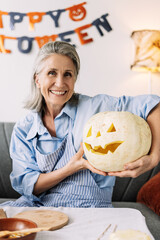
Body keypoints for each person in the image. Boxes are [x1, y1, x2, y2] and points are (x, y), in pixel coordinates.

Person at [1, 41, 160, 208]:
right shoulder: (24, 129)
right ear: (38, 79)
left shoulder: (97, 107)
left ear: (75, 78)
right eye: (52, 73)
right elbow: (29, 186)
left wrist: (154, 158)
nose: (60, 82)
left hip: (92, 208)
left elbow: (154, 105)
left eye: (68, 74)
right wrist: (71, 168)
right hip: (39, 208)